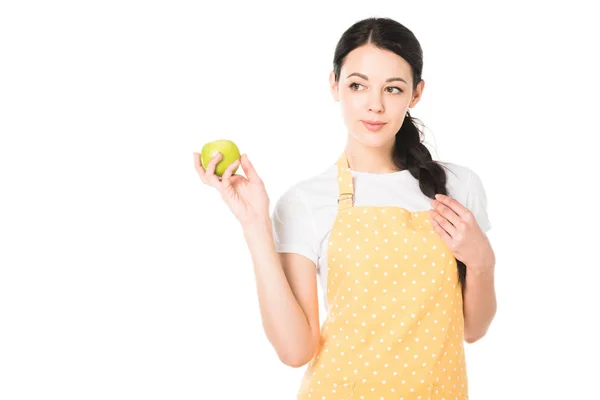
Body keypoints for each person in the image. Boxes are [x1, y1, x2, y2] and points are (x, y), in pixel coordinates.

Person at [194, 16, 496, 400]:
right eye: (358, 85)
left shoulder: (458, 187)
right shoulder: (305, 202)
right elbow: (295, 350)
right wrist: (254, 223)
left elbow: (474, 328)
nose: (375, 105)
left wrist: (482, 261)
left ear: (416, 94)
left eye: (393, 88)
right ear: (335, 85)